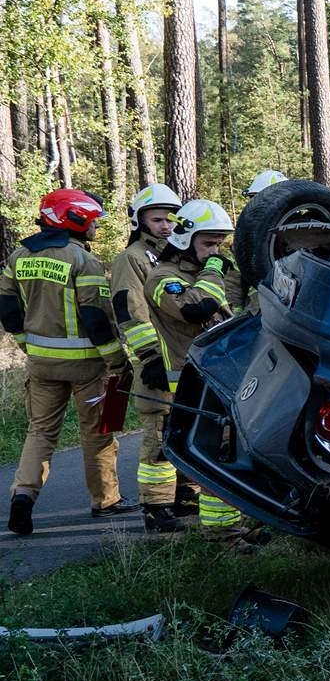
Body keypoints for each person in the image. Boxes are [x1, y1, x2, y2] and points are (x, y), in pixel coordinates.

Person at [2, 189, 127, 535]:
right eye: (93, 220)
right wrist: (117, 361)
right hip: (86, 365)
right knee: (98, 432)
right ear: (75, 218)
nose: (96, 227)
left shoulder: (17, 257)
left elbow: (8, 311)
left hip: (41, 364)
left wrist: (27, 346)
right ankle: (106, 500)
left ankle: (23, 495)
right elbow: (96, 318)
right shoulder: (82, 260)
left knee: (40, 431)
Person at [137, 201, 239, 534]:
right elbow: (194, 309)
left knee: (222, 452)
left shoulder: (204, 275)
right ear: (184, 239)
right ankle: (167, 512)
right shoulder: (163, 277)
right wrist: (214, 270)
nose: (215, 252)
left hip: (216, 380)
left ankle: (225, 529)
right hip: (184, 385)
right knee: (185, 451)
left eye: (219, 244)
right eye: (208, 243)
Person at [112, 184, 182, 511]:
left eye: (170, 219)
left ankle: (185, 496)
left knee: (186, 429)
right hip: (155, 360)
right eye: (157, 220)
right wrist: (151, 357)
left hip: (184, 360)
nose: (165, 226)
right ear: (140, 221)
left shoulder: (179, 255)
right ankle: (156, 508)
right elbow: (130, 311)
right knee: (159, 433)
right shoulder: (132, 258)